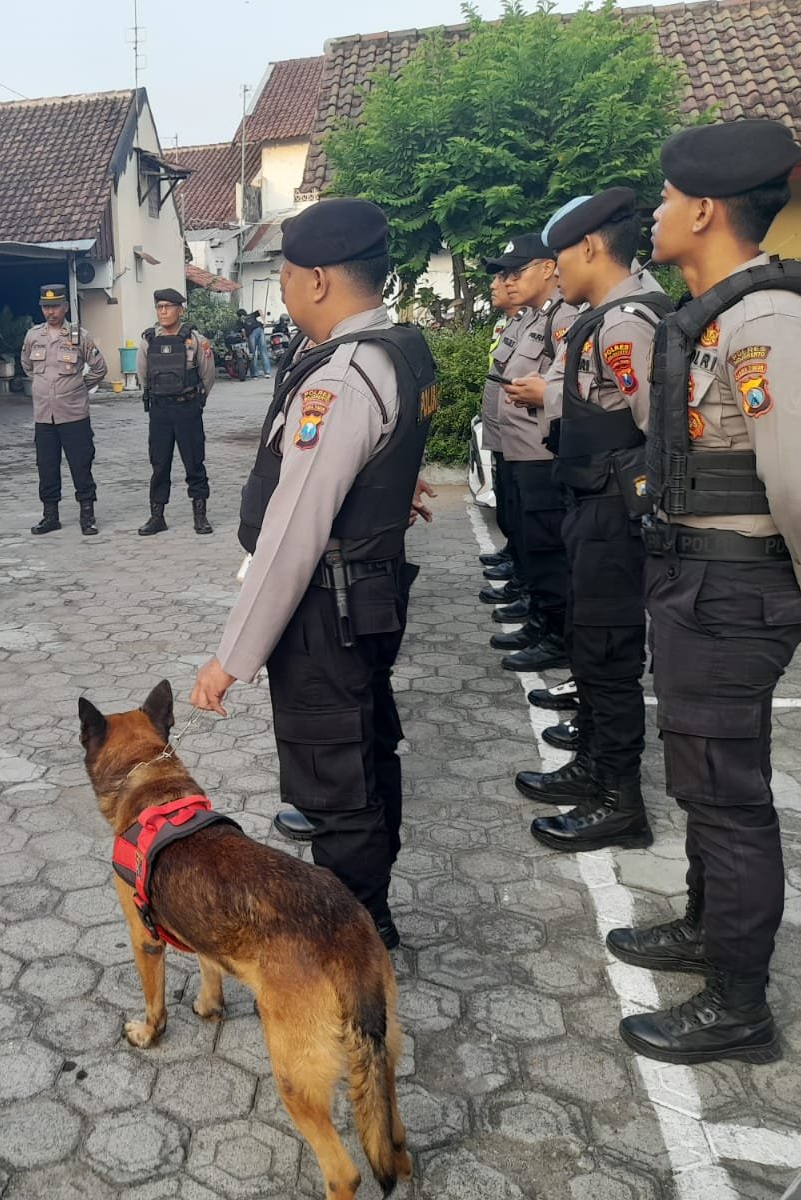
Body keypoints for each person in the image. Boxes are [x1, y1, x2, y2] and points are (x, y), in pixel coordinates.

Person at [605, 120, 801, 1064]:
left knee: (727, 796)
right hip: (700, 582)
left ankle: (739, 1005)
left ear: (706, 210)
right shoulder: (718, 315)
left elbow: (799, 482)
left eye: (670, 199)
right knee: (704, 780)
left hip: (732, 588)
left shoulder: (766, 324)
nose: (659, 212)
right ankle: (706, 928)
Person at [189, 197, 438, 952]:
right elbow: (380, 457)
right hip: (364, 593)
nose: (287, 289)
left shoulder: (345, 377)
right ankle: (368, 912)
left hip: (327, 605)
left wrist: (231, 658)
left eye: (289, 275)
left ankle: (355, 939)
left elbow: (294, 533)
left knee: (338, 775)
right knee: (361, 750)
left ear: (321, 280)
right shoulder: (397, 347)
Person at [517, 188, 673, 853]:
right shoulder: (601, 318)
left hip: (615, 512)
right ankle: (593, 767)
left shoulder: (626, 323)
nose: (555, 271)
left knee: (609, 653)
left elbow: (659, 430)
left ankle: (619, 800)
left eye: (560, 258)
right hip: (591, 504)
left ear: (589, 247)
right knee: (589, 642)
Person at [497, 235, 582, 672]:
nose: (509, 281)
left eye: (517, 271)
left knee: (549, 548)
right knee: (533, 543)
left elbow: (568, 384)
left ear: (548, 268)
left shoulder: (564, 316)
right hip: (521, 450)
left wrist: (542, 394)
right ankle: (543, 620)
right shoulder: (539, 316)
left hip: (541, 452)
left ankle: (557, 635)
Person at [21, 284, 108, 536]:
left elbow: (99, 368)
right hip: (44, 416)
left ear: (65, 307)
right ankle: (50, 516)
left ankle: (87, 516)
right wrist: (44, 386)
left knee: (81, 465)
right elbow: (27, 366)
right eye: (46, 307)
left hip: (74, 415)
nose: (51, 312)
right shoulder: (33, 336)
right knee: (46, 467)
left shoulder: (79, 336)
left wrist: (78, 387)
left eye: (55, 306)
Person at [136, 288, 218, 536]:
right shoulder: (148, 340)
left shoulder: (196, 340)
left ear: (180, 310)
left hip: (187, 409)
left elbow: (208, 375)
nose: (163, 312)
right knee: (159, 464)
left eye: (168, 307)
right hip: (160, 411)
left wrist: (196, 402)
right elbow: (143, 376)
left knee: (194, 462)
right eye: (159, 307)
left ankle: (200, 516)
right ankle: (157, 516)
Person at [478, 267, 527, 619]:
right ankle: (514, 555)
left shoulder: (539, 322)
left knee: (523, 509)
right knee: (508, 497)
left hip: (525, 439)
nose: (498, 284)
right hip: (503, 431)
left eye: (507, 275)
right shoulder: (510, 323)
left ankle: (525, 578)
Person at [245, 309, 272, 378]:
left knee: (253, 354)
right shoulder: (251, 315)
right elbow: (259, 310)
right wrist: (264, 321)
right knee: (263, 352)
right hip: (260, 330)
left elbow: (243, 331)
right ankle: (267, 372)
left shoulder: (241, 321)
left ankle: (254, 374)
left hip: (251, 334)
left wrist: (246, 339)